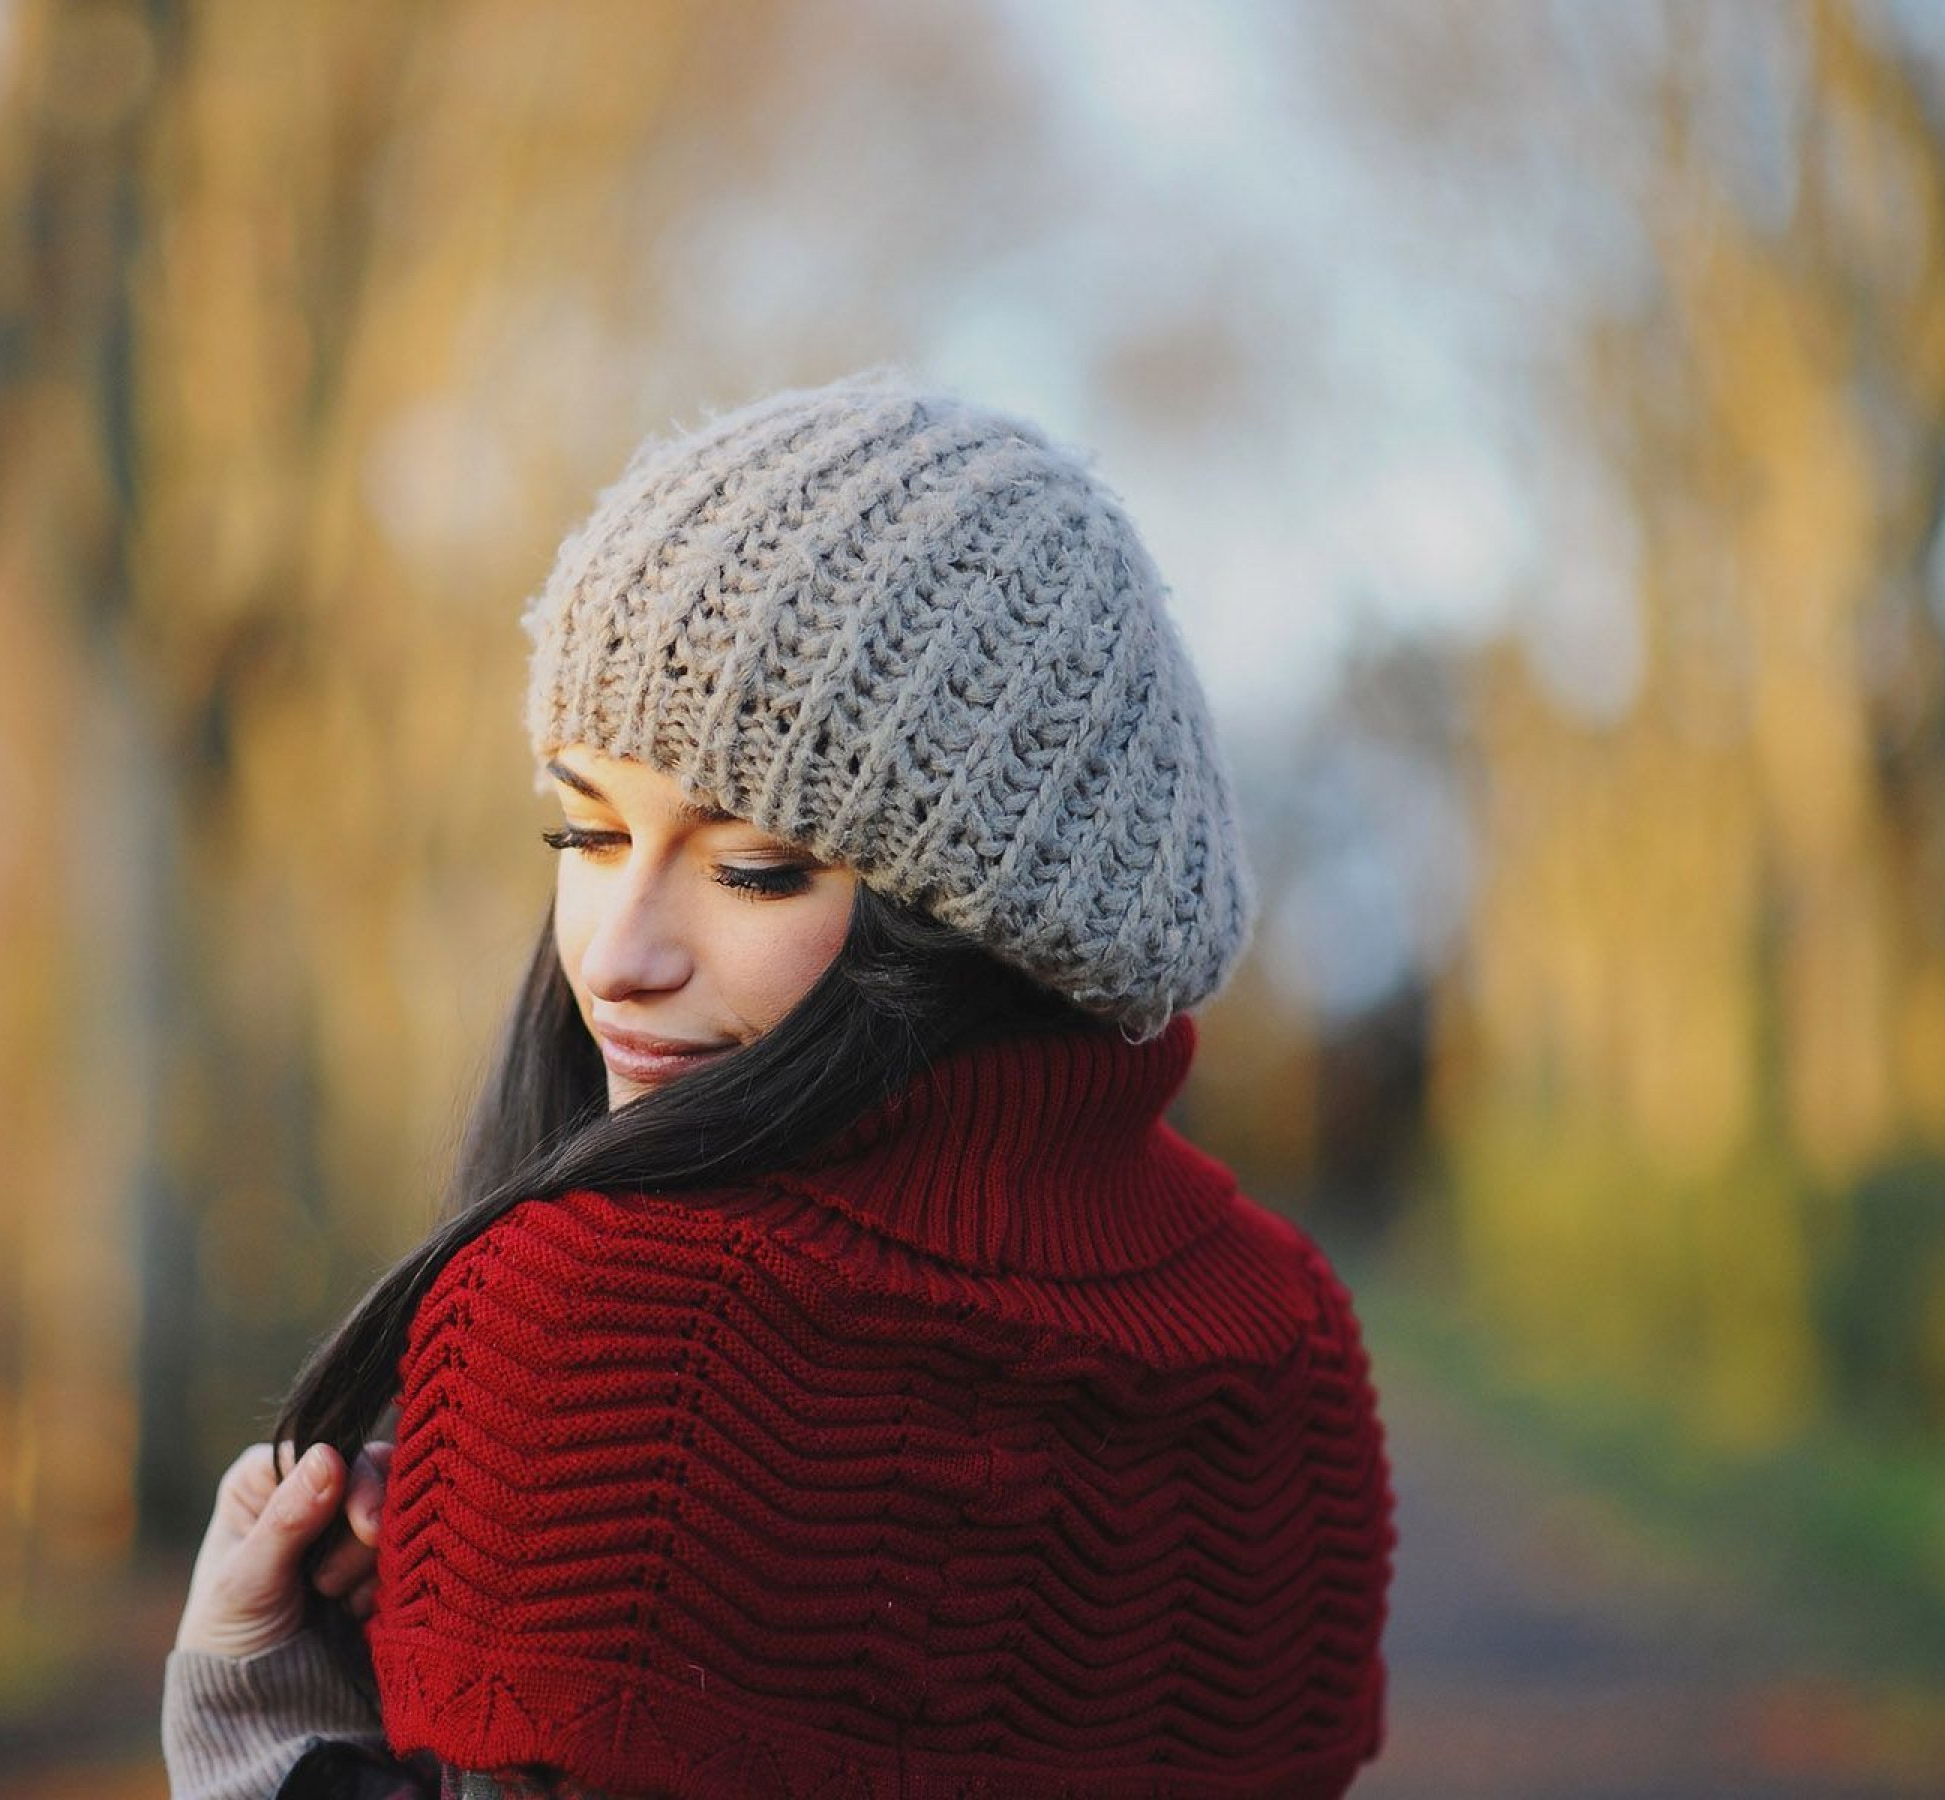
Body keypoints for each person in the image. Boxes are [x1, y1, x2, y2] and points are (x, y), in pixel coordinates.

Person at [163, 369, 1398, 1799]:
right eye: (587, 835)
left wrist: (257, 1721)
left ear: (981, 921)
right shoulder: (1294, 1334)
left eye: (754, 868)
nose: (618, 957)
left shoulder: (596, 1321)